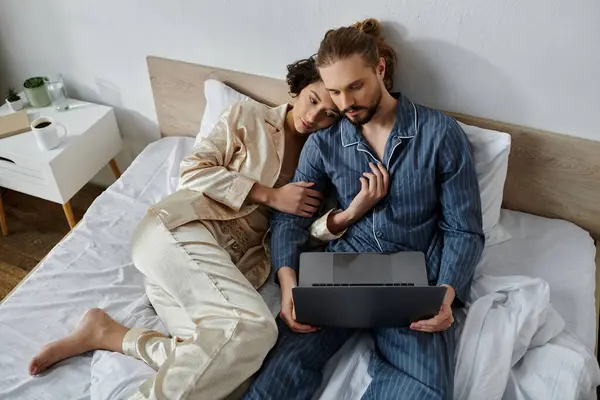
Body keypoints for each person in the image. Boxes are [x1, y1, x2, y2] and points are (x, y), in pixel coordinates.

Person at [27, 56, 384, 400]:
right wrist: (270, 195)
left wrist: (347, 215)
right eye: (313, 99)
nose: (314, 116)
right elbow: (194, 169)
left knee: (232, 369)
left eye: (328, 115)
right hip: (180, 231)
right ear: (299, 87)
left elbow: (297, 235)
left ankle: (111, 334)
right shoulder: (250, 116)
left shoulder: (317, 163)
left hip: (215, 271)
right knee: (254, 328)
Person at [243, 18, 485, 400]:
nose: (345, 104)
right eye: (335, 91)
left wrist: (447, 294)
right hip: (343, 268)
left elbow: (464, 229)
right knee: (273, 377)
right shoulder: (324, 141)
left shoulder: (440, 134)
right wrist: (288, 282)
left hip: (415, 274)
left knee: (424, 392)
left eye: (355, 86)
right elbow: (291, 218)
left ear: (381, 70)